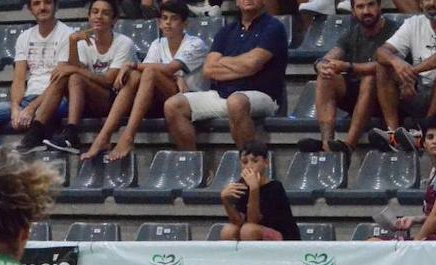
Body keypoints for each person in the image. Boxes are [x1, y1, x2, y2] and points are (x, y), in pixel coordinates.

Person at [81, 0, 209, 162]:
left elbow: (167, 68)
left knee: (146, 72)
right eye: (164, 18)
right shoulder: (157, 43)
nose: (168, 23)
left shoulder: (196, 44)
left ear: (185, 24)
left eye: (174, 19)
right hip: (163, 99)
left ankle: (127, 137)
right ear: (159, 22)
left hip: (190, 99)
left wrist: (131, 64)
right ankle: (104, 137)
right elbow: (153, 71)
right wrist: (176, 77)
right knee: (135, 76)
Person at [162, 0, 287, 150]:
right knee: (173, 105)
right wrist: (242, 65)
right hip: (222, 94)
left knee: (236, 102)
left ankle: (247, 166)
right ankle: (192, 163)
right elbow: (209, 69)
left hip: (264, 95)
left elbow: (252, 64)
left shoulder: (273, 27)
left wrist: (225, 62)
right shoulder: (226, 30)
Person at [20, 0, 136, 155]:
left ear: (115, 20)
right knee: (66, 75)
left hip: (115, 100)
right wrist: (73, 43)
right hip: (88, 99)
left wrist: (73, 69)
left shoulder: (124, 42)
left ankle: (72, 133)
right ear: (89, 17)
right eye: (95, 12)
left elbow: (109, 80)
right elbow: (74, 70)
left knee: (73, 75)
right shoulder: (84, 42)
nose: (99, 16)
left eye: (105, 13)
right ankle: (36, 131)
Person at [367, 0, 436, 153]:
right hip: (424, 90)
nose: (431, 3)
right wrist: (396, 62)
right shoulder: (412, 23)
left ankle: (425, 134)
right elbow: (381, 52)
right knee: (383, 67)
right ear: (420, 3)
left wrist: (411, 72)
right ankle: (393, 134)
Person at [0, 0, 73, 153]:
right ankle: (4, 158)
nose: (42, 7)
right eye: (36, 3)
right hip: (28, 100)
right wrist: (16, 108)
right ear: (30, 9)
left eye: (47, 2)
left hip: (57, 99)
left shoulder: (68, 35)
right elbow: (19, 79)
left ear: (56, 6)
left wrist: (31, 109)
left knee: (51, 112)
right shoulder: (25, 37)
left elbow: (60, 81)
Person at [296, 0, 397, 156]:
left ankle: (349, 146)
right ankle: (327, 143)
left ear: (379, 7)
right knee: (326, 76)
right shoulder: (353, 32)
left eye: (371, 5)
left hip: (387, 96)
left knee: (369, 78)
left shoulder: (393, 31)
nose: (366, 11)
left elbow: (382, 66)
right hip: (359, 94)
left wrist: (347, 66)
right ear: (353, 11)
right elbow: (331, 56)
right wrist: (321, 65)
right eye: (360, 7)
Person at [220, 140, 299, 241]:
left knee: (248, 230)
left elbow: (253, 220)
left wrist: (254, 189)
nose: (249, 166)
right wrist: (226, 202)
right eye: (245, 162)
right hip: (256, 230)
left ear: (266, 163)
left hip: (284, 238)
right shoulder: (241, 186)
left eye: (255, 161)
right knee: (228, 230)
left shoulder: (275, 187)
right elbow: (238, 222)